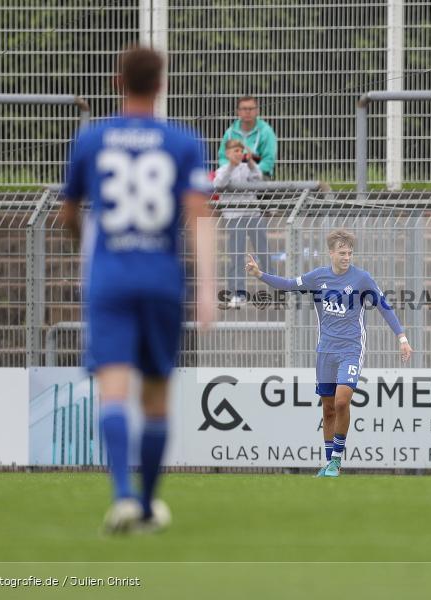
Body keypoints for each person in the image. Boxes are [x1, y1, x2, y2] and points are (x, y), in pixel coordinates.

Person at [61, 45, 215, 534]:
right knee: (154, 395)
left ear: (116, 81)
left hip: (109, 279)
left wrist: (92, 244)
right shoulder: (183, 140)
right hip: (162, 280)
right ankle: (147, 505)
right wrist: (209, 288)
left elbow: (68, 213)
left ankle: (124, 497)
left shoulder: (92, 138)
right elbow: (199, 217)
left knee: (112, 388)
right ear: (161, 84)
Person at [246, 229, 413, 477]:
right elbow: (290, 285)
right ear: (331, 253)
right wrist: (260, 275)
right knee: (328, 408)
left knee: (342, 400)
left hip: (351, 349)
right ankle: (328, 464)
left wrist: (402, 337)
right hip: (325, 350)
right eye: (342, 253)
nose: (347, 257)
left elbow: (383, 305)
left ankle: (336, 460)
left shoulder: (362, 279)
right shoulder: (318, 277)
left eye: (350, 253)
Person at [212, 138, 268, 308]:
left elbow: (259, 180)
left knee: (264, 253)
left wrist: (250, 162)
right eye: (234, 150)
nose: (237, 153)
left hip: (253, 215)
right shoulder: (223, 170)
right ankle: (238, 293)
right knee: (236, 256)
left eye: (239, 150)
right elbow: (219, 184)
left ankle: (276, 289)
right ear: (227, 153)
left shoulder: (248, 168)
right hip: (234, 218)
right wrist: (231, 165)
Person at [217, 96, 277, 178]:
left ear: (257, 111)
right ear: (238, 112)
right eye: (244, 109)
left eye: (251, 108)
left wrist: (250, 172)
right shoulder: (230, 132)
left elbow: (268, 161)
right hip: (233, 175)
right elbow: (222, 157)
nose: (248, 111)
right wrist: (232, 170)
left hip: (258, 176)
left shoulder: (266, 131)